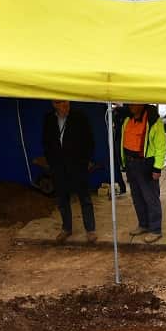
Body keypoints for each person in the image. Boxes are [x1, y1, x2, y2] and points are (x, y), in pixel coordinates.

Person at [42, 100, 96, 244]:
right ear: (54, 104)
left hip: (78, 165)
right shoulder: (49, 119)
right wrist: (51, 161)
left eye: (67, 103)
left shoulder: (79, 117)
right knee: (62, 199)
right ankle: (66, 228)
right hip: (58, 167)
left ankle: (90, 230)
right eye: (62, 104)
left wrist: (86, 160)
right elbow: (46, 142)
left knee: (85, 198)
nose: (66, 106)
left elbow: (89, 140)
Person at [121, 104, 166, 243]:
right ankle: (143, 224)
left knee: (150, 198)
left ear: (142, 103)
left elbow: (161, 146)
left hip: (146, 164)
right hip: (130, 163)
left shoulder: (154, 121)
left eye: (134, 103)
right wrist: (123, 162)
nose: (131, 106)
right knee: (137, 197)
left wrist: (157, 168)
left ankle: (155, 230)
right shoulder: (126, 119)